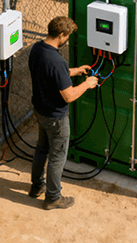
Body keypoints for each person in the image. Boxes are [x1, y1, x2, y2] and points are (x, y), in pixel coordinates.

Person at [28, 16, 98, 210]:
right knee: (57, 157)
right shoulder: (57, 61)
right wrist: (87, 84)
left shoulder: (37, 49)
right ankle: (53, 197)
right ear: (62, 35)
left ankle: (36, 187)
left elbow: (51, 74)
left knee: (41, 149)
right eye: (67, 36)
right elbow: (68, 96)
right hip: (56, 118)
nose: (67, 39)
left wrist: (75, 71)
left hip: (40, 112)